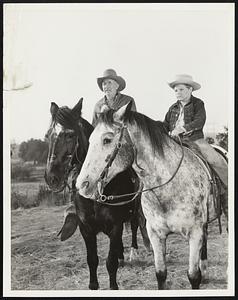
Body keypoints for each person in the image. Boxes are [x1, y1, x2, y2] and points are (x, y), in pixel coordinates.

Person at [59, 69, 137, 241]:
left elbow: (132, 123)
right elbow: (96, 129)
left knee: (136, 172)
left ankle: (139, 206)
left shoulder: (127, 101)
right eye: (103, 83)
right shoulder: (97, 105)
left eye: (109, 82)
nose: (105, 86)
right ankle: (74, 207)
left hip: (122, 145)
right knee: (80, 170)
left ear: (117, 85)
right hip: (104, 146)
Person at [163, 74, 228, 216]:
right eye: (175, 90)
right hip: (174, 142)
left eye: (181, 89)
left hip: (195, 140)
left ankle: (227, 191)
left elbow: (200, 121)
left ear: (190, 89)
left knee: (216, 160)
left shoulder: (198, 104)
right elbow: (165, 124)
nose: (178, 93)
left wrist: (183, 128)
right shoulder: (172, 107)